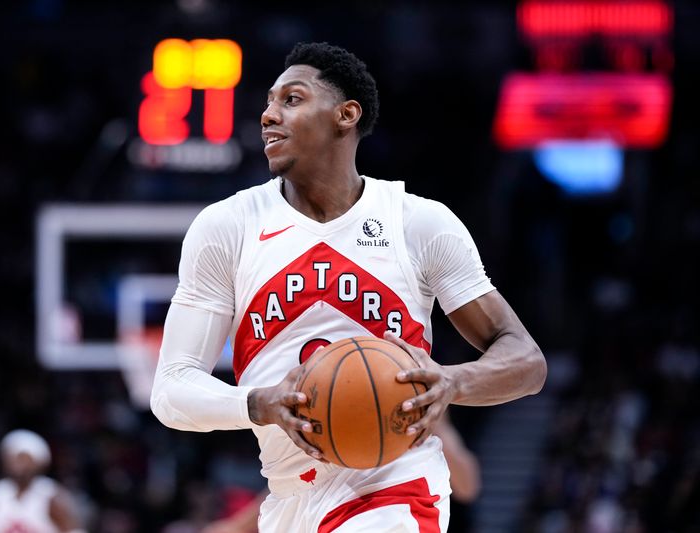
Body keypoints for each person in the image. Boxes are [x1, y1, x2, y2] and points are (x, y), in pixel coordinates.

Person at [151, 42, 546, 532]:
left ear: (346, 114)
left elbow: (527, 361)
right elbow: (171, 390)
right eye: (268, 102)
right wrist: (260, 402)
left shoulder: (418, 223)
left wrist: (454, 381)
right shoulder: (227, 226)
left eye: (291, 99)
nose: (269, 115)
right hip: (288, 497)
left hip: (398, 482)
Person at [201, 412, 481, 533]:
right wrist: (238, 525)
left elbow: (468, 486)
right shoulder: (352, 429)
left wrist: (436, 428)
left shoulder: (427, 417)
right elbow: (307, 482)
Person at [0, 429, 86, 533]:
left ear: (38, 462)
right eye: (11, 456)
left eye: (22, 458)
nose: (16, 463)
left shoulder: (50, 496)